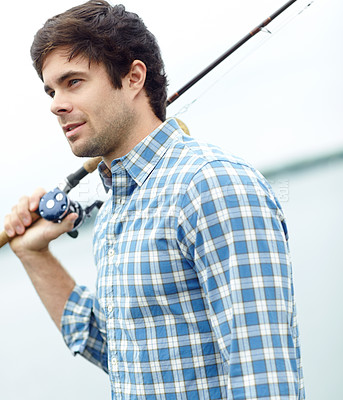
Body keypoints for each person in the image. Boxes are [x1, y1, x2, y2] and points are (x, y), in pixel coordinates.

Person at [4, 1, 305, 398]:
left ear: (133, 78)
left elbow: (265, 379)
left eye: (73, 81)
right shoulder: (115, 210)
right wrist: (33, 254)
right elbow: (127, 355)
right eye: (51, 89)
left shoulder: (211, 184)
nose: (55, 103)